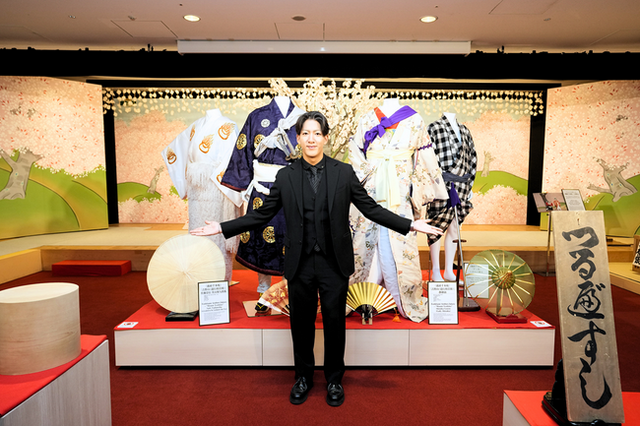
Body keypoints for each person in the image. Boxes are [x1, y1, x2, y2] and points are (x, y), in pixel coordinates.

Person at [191, 111, 443, 407]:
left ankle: (334, 379)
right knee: (301, 324)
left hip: (334, 262)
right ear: (298, 138)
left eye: (316, 133)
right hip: (299, 262)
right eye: (305, 134)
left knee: (335, 323)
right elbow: (262, 214)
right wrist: (222, 227)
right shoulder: (286, 176)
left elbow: (370, 208)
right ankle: (303, 377)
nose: (311, 139)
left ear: (325, 138)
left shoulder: (343, 173)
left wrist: (410, 224)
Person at [348, 98, 448, 322]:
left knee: (400, 236)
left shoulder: (414, 119)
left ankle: (403, 297)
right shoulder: (367, 118)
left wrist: (417, 188)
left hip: (400, 190)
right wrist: (366, 175)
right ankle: (361, 295)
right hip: (371, 187)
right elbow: (355, 152)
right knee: (366, 237)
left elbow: (422, 157)